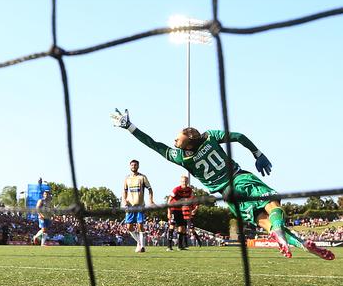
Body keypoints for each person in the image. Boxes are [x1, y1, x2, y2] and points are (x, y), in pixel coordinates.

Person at [110, 108, 335, 261]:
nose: (174, 141)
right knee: (273, 203)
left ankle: (298, 243)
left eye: (177, 139)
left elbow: (153, 144)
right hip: (240, 178)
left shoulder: (182, 157)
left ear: (187, 145)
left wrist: (130, 127)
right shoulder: (209, 137)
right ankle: (282, 234)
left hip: (227, 195)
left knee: (262, 220)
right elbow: (237, 135)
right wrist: (257, 153)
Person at [122, 159, 154, 253]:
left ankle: (142, 247)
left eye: (135, 165)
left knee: (140, 225)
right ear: (130, 166)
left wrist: (151, 201)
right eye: (132, 165)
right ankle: (139, 242)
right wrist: (124, 201)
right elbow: (124, 191)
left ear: (138, 166)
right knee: (129, 227)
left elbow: (150, 189)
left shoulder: (142, 177)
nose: (133, 166)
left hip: (140, 205)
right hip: (130, 206)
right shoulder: (127, 178)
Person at [167, 175, 193, 251]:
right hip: (174, 209)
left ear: (187, 182)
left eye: (185, 181)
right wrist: (169, 212)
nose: (184, 182)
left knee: (182, 228)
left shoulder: (189, 190)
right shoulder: (176, 189)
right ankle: (169, 246)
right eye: (183, 181)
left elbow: (190, 201)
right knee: (172, 226)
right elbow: (169, 200)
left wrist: (190, 211)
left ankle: (180, 246)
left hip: (181, 210)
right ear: (180, 182)